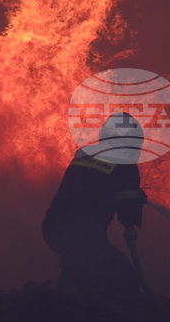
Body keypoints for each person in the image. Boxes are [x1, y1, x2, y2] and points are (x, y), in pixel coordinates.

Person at [41, 112, 147, 294]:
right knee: (126, 278)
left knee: (82, 267)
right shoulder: (126, 166)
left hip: (53, 228)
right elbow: (127, 215)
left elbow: (89, 189)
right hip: (84, 236)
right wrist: (135, 201)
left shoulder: (84, 156)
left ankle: (68, 288)